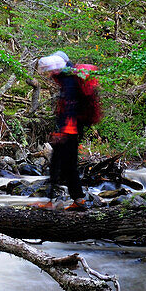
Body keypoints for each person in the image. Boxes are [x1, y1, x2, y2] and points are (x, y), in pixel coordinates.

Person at [35, 51, 87, 211]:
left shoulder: (69, 79)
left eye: (52, 70)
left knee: (57, 163)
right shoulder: (71, 77)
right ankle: (78, 200)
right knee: (69, 165)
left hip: (68, 130)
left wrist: (62, 131)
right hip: (72, 129)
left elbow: (70, 106)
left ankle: (52, 201)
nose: (51, 74)